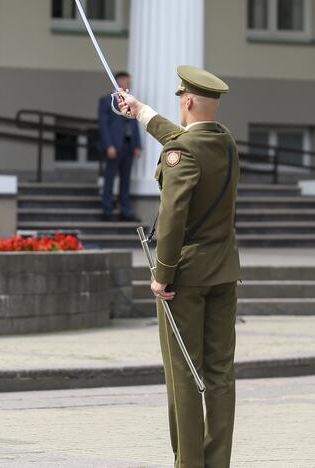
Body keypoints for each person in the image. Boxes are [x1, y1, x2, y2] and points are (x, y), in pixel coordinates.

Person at [118, 65, 240, 468]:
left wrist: (161, 274)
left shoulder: (181, 153)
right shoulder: (225, 143)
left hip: (184, 278)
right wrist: (140, 111)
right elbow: (181, 138)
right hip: (224, 270)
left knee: (184, 373)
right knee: (220, 372)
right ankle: (217, 461)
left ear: (187, 101)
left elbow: (172, 218)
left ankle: (189, 463)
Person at [98, 71, 142, 222]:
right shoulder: (106, 101)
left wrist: (137, 145)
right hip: (114, 146)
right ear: (118, 81)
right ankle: (107, 209)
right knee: (110, 177)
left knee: (125, 179)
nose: (128, 83)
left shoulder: (131, 100)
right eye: (125, 81)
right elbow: (103, 125)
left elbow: (135, 123)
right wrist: (108, 145)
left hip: (128, 146)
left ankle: (125, 209)